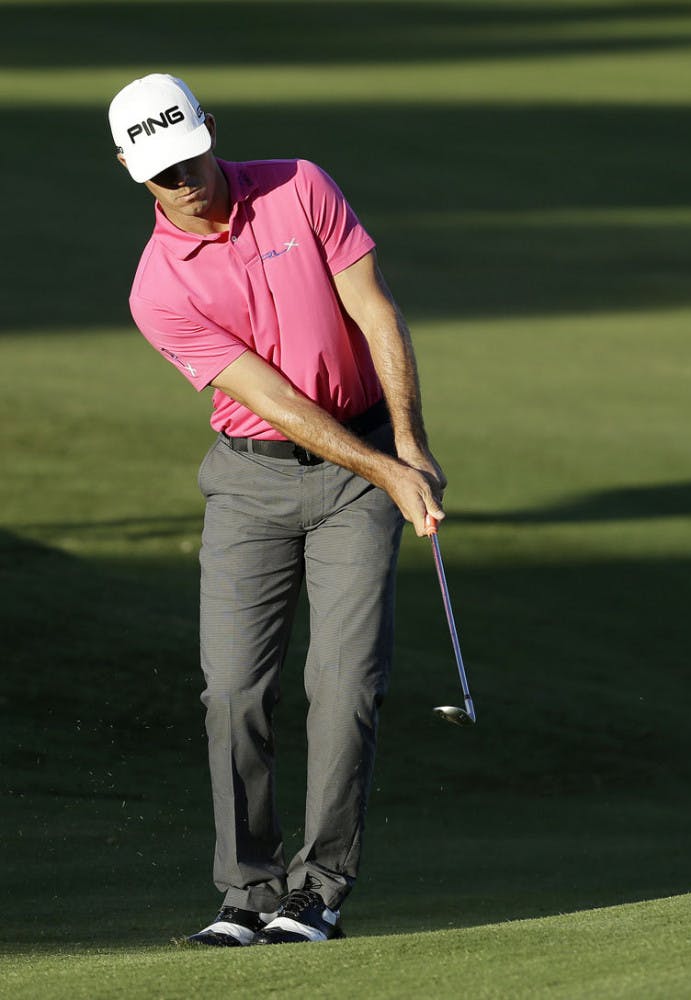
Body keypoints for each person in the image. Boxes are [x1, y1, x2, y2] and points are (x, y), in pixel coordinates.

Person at [108, 73, 446, 946]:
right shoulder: (157, 289)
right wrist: (384, 465)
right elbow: (275, 401)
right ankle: (248, 893)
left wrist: (405, 446)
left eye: (189, 155)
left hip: (357, 473)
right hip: (250, 483)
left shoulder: (301, 184)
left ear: (209, 130)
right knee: (232, 692)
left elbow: (375, 314)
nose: (182, 181)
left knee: (342, 685)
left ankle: (319, 890)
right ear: (130, 171)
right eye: (160, 170)